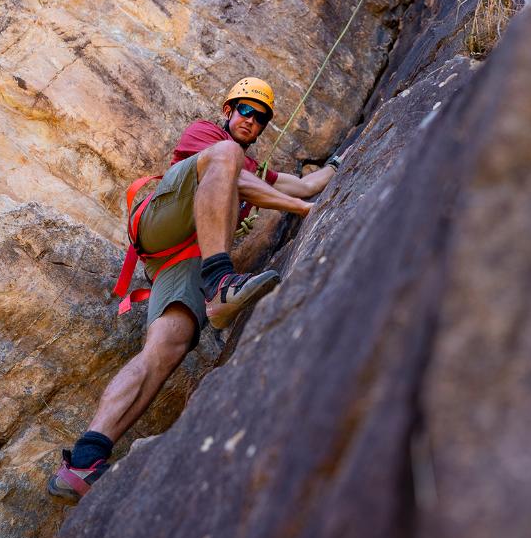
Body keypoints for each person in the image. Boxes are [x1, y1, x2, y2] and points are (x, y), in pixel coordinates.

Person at [48, 77, 343, 501]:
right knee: (228, 156)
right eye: (245, 110)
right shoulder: (206, 134)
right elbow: (250, 180)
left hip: (182, 259)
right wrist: (301, 209)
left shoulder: (254, 169)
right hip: (161, 222)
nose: (251, 121)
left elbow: (307, 185)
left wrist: (338, 165)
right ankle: (220, 283)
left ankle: (84, 460)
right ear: (228, 111)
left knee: (165, 348)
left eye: (260, 118)